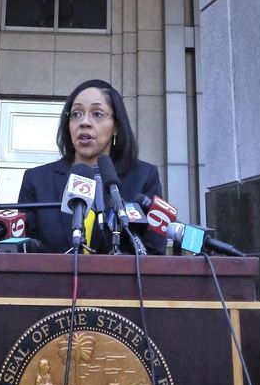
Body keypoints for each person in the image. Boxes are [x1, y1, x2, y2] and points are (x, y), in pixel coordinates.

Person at [17, 79, 166, 254]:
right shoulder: (37, 180)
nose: (84, 122)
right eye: (76, 114)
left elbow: (154, 250)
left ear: (116, 126)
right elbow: (23, 250)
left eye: (97, 114)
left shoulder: (143, 177)